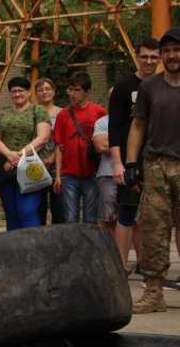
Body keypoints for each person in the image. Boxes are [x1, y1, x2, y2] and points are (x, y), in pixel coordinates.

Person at [126, 28, 180, 313]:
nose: (172, 55)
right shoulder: (149, 87)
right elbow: (138, 126)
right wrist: (131, 164)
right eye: (167, 51)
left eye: (177, 50)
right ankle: (154, 293)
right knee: (154, 231)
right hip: (155, 165)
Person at [109, 38, 160, 275]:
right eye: (145, 56)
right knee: (127, 211)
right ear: (137, 56)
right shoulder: (123, 86)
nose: (149, 61)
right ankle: (121, 265)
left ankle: (150, 266)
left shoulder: (165, 84)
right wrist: (118, 163)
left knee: (157, 216)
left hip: (160, 159)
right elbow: (115, 128)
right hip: (130, 161)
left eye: (154, 57)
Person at [0, 77, 51, 231]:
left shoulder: (38, 111)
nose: (17, 94)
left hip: (30, 169)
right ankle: (13, 252)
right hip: (6, 169)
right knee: (12, 214)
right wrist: (8, 154)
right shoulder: (3, 114)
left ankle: (32, 250)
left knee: (28, 211)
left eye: (21, 91)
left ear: (29, 93)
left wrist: (18, 156)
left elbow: (43, 138)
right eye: (14, 91)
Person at [53, 72, 106, 224]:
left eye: (77, 90)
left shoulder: (99, 112)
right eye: (70, 89)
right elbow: (59, 145)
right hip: (69, 174)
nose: (72, 94)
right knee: (70, 217)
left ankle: (88, 248)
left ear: (87, 91)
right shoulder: (63, 115)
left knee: (90, 218)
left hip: (92, 172)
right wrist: (58, 175)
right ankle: (73, 248)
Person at [35, 78, 65, 225]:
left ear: (54, 91)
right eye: (40, 90)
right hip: (36, 165)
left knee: (58, 208)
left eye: (47, 89)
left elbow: (64, 139)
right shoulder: (33, 112)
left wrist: (53, 157)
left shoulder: (62, 113)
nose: (44, 92)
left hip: (57, 166)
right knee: (38, 208)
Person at [92, 115, 118, 236]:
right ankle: (110, 252)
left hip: (134, 174)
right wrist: (129, 143)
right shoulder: (102, 122)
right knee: (108, 218)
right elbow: (101, 146)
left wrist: (112, 141)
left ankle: (139, 255)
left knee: (134, 220)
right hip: (107, 174)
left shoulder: (138, 119)